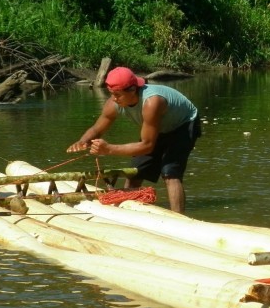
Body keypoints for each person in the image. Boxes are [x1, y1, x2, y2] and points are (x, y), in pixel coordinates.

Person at [67, 66, 201, 214]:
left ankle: (179, 218)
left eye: (118, 95)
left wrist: (109, 149)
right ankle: (129, 211)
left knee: (170, 173)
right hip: (158, 127)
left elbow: (148, 145)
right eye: (111, 94)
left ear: (132, 90)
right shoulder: (113, 103)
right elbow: (97, 129)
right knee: (135, 172)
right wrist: (83, 141)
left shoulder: (152, 102)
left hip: (183, 124)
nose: (114, 98)